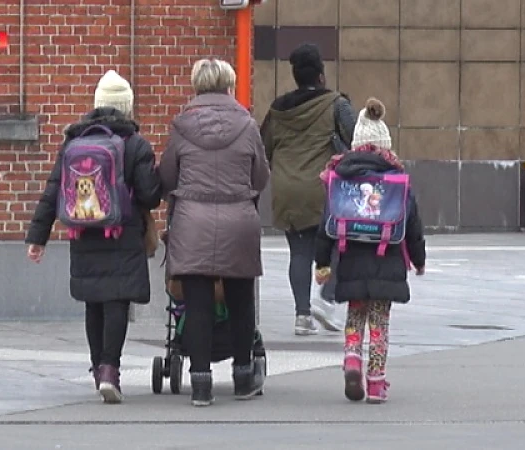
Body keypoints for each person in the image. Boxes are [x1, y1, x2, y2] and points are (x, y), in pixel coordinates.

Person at [25, 69, 162, 404]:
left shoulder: (74, 142)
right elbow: (149, 196)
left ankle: (95, 366)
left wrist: (37, 236)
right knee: (116, 301)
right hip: (123, 233)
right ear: (127, 107)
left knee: (94, 302)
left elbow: (53, 190)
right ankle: (109, 370)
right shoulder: (136, 144)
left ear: (97, 104)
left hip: (83, 230)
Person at [159, 58, 270, 407]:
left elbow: (167, 177)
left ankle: (202, 384)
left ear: (196, 85)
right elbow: (261, 176)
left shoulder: (182, 125)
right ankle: (242, 377)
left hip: (193, 223)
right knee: (239, 301)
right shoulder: (247, 125)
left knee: (199, 302)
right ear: (228, 85)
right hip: (239, 220)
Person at [314, 97, 425, 404]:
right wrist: (419, 259)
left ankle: (352, 359)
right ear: (385, 144)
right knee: (380, 324)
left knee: (355, 315)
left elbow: (327, 223)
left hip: (351, 259)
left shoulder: (342, 178)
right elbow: (413, 224)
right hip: (387, 262)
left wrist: (322, 262)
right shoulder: (396, 180)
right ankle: (376, 384)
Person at [260, 43, 358, 336]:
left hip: (288, 190)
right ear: (321, 75)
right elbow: (357, 141)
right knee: (343, 246)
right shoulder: (336, 104)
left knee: (299, 253)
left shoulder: (278, 109)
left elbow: (263, 147)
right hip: (324, 190)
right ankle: (326, 301)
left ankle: (302, 316)